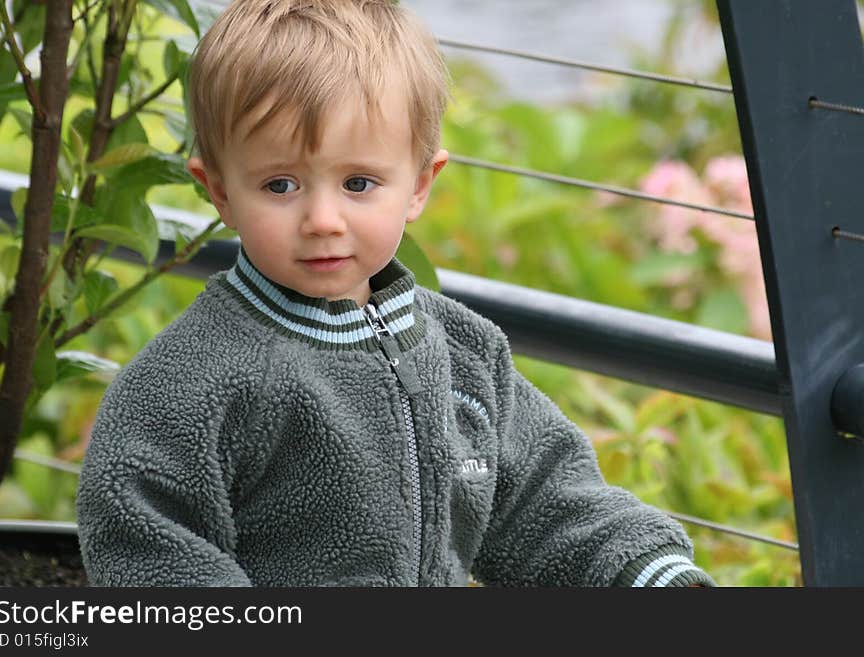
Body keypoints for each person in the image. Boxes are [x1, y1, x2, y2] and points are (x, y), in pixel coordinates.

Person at [76, 0, 715, 588]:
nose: (323, 219)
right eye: (279, 185)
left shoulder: (465, 351)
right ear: (218, 191)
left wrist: (647, 574)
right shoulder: (188, 383)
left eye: (358, 182)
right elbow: (150, 552)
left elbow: (545, 500)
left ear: (418, 183)